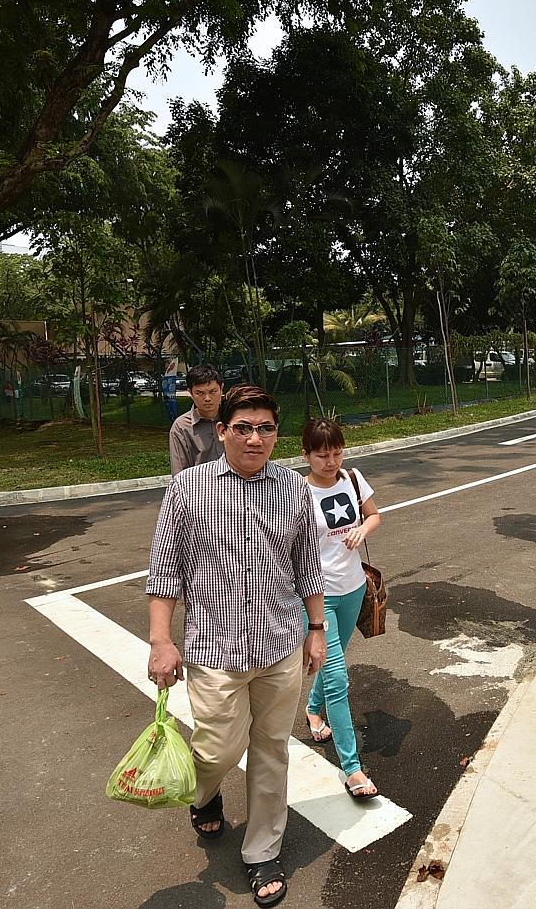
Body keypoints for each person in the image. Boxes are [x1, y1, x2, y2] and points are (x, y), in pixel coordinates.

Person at [146, 384, 326, 909]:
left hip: (279, 645)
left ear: (276, 434)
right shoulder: (187, 490)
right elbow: (164, 572)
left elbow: (306, 566)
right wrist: (161, 641)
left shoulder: (293, 488)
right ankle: (205, 794)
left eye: (265, 428)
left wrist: (317, 630)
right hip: (215, 652)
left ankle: (262, 850)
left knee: (272, 749)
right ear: (221, 431)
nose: (255, 437)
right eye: (243, 427)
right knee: (217, 748)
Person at [300, 417, 382, 801]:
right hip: (318, 596)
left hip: (353, 589)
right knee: (337, 677)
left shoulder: (351, 478)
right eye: (322, 455)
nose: (330, 461)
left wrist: (364, 529)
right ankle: (352, 769)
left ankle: (313, 710)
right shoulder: (297, 492)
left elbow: (374, 514)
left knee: (335, 662)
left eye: (336, 453)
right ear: (306, 455)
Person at [167, 364, 224, 475]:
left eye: (213, 391)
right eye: (200, 393)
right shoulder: (181, 427)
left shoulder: (234, 419)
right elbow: (179, 474)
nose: (207, 398)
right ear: (190, 393)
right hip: (200, 489)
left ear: (221, 389)